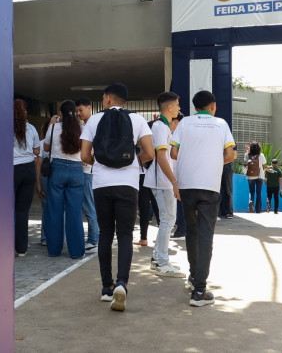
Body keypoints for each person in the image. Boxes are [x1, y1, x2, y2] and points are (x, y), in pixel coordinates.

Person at [81, 83, 154, 312]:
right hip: (128, 184)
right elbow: (150, 152)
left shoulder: (94, 120)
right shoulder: (138, 120)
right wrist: (133, 163)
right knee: (124, 234)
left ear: (108, 99)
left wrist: (99, 165)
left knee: (105, 232)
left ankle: (106, 287)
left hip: (101, 184)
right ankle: (122, 283)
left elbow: (84, 155)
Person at [170, 90, 236, 307]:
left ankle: (193, 276)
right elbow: (230, 155)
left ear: (194, 106)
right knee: (206, 235)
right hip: (210, 186)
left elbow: (173, 153)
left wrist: (193, 158)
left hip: (187, 185)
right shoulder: (221, 124)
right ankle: (199, 291)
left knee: (191, 231)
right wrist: (212, 163)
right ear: (213, 106)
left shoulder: (185, 123)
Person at [144, 92, 185, 277]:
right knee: (168, 221)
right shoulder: (161, 127)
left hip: (163, 180)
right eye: (177, 105)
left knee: (167, 220)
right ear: (169, 107)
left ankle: (157, 259)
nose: (179, 108)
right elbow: (161, 157)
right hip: (162, 181)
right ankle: (162, 262)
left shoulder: (163, 127)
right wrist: (174, 181)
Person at [44, 100, 86, 259]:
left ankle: (54, 250)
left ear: (60, 114)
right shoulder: (82, 129)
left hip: (57, 171)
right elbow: (86, 151)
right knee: (74, 213)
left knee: (54, 211)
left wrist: (52, 124)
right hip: (76, 171)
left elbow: (46, 148)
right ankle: (76, 252)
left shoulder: (54, 128)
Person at [13, 99, 40, 257]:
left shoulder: (5, 127)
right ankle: (22, 248)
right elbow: (37, 150)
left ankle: (7, 243)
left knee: (8, 209)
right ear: (25, 113)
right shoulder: (31, 128)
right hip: (29, 169)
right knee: (23, 210)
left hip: (12, 170)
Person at [75, 97, 100, 252]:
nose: (78, 113)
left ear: (89, 108)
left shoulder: (93, 124)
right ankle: (95, 236)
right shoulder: (84, 125)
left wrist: (89, 154)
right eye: (77, 111)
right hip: (83, 171)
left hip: (88, 172)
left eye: (81, 110)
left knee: (89, 206)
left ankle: (93, 238)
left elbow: (95, 145)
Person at [36, 119, 52, 246]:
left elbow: (39, 163)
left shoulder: (57, 142)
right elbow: (38, 163)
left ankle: (48, 237)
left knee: (49, 208)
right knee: (47, 208)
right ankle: (46, 236)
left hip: (49, 177)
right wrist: (38, 183)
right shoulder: (42, 144)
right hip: (46, 177)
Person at [244, 142, 268, 213]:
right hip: (259, 176)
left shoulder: (247, 155)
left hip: (250, 176)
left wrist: (247, 151)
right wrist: (268, 169)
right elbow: (264, 165)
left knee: (252, 191)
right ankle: (258, 210)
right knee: (258, 193)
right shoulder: (261, 155)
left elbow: (246, 161)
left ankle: (251, 201)